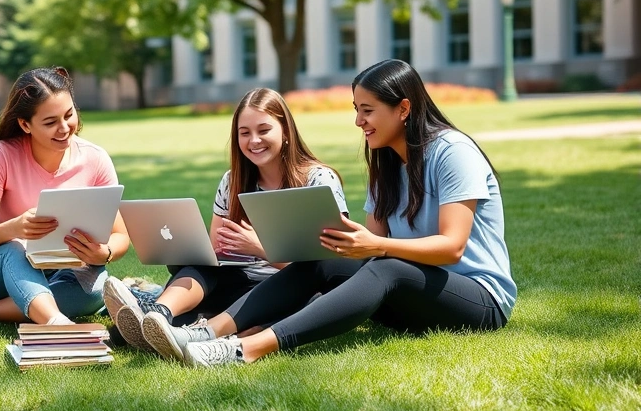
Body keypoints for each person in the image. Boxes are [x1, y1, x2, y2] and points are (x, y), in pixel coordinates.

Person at [144, 59, 516, 366]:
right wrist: (350, 245)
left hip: (478, 300)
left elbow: (451, 248)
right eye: (357, 110)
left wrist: (375, 245)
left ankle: (245, 350)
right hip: (413, 295)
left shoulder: (452, 151)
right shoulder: (385, 163)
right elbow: (369, 252)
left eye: (367, 111)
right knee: (319, 258)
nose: (358, 121)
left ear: (404, 108)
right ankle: (207, 332)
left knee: (386, 266)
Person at [102, 88, 349, 355]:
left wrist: (260, 248)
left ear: (286, 131)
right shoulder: (233, 181)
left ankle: (176, 328)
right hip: (236, 284)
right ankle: (158, 313)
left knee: (308, 300)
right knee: (205, 266)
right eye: (245, 133)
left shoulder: (319, 180)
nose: (254, 141)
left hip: (288, 290)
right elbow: (217, 252)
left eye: (264, 130)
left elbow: (327, 266)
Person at [0, 66, 131, 325]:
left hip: (59, 267)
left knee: (95, 290)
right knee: (16, 249)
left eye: (69, 114)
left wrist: (104, 254)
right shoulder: (2, 154)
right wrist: (15, 228)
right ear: (25, 124)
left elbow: (120, 235)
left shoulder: (95, 159)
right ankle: (56, 322)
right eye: (50, 122)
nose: (64, 128)